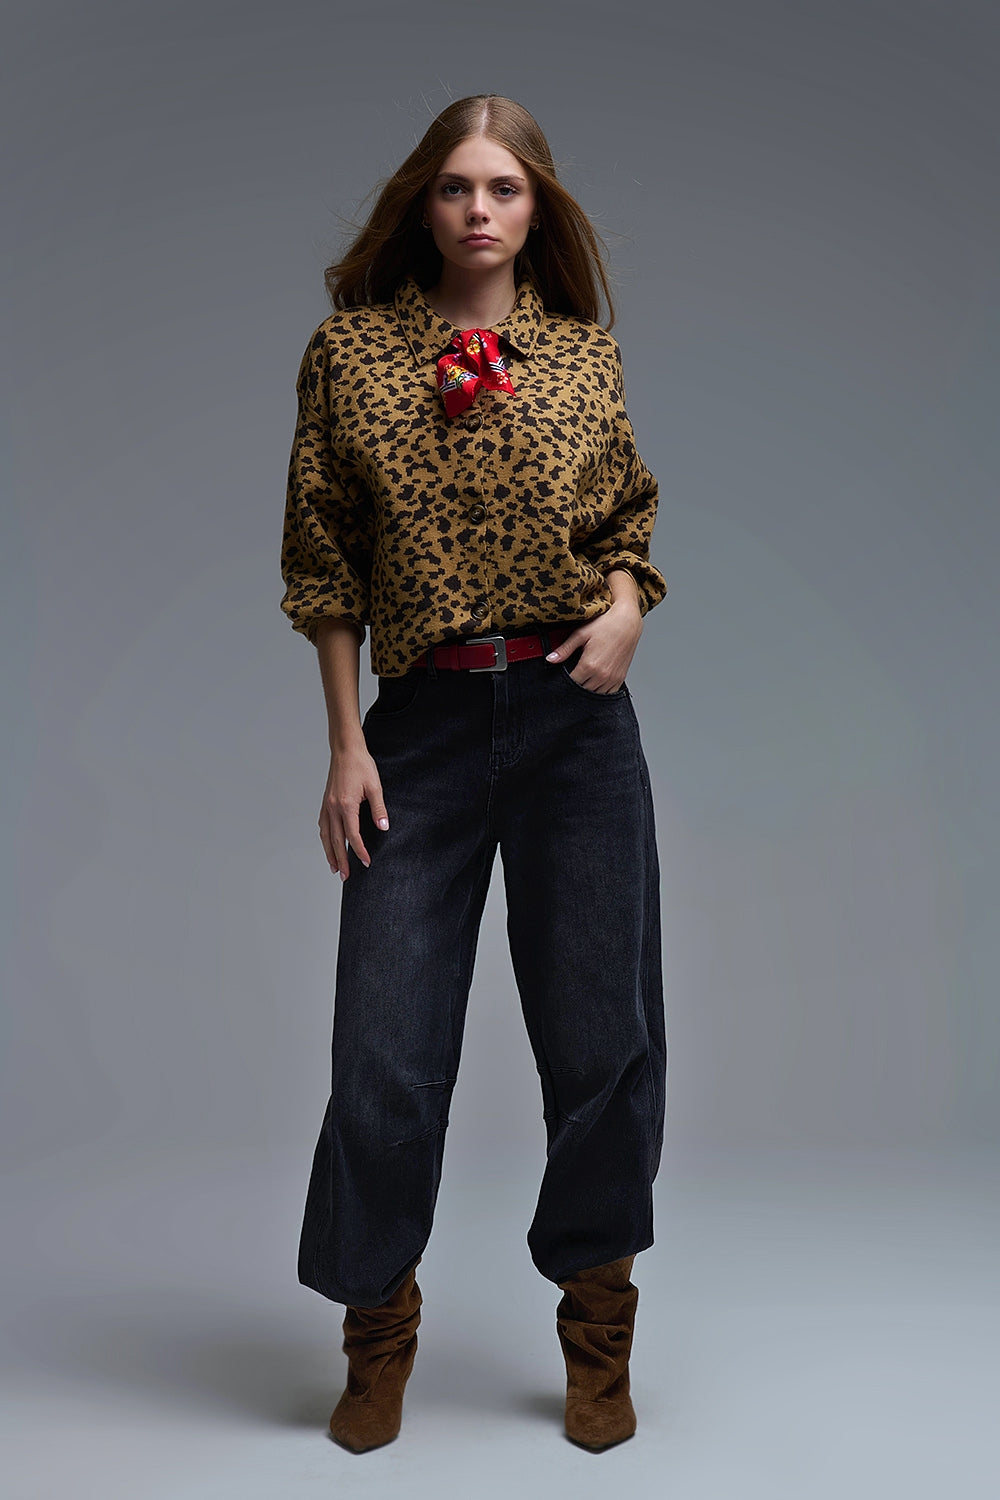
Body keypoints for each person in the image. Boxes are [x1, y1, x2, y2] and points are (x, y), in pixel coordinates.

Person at [279, 93, 668, 1455]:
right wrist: (346, 745)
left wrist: (626, 608)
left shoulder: (581, 357)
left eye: (504, 187)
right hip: (422, 731)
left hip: (575, 726)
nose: (480, 209)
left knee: (604, 1043)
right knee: (384, 1054)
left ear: (536, 207)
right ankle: (376, 1335)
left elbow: (627, 523)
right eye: (457, 186)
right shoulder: (351, 356)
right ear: (424, 203)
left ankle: (599, 1337)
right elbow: (323, 560)